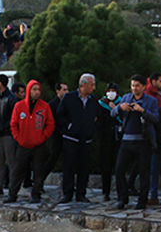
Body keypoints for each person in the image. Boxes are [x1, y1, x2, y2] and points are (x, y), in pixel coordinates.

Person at [111, 75, 159, 210]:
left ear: (144, 87)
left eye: (137, 86)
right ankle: (122, 197)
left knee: (144, 172)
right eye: (132, 85)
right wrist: (120, 108)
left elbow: (156, 119)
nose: (134, 88)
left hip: (143, 141)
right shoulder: (126, 98)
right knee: (119, 170)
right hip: (126, 140)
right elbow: (113, 113)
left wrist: (142, 111)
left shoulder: (151, 101)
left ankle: (142, 200)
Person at [7, 79, 55, 204]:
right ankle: (12, 194)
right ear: (29, 91)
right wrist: (19, 138)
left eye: (38, 89)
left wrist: (42, 137)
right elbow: (13, 124)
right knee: (17, 171)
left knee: (38, 172)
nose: (37, 92)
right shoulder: (19, 106)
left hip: (39, 145)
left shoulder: (45, 106)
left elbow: (50, 125)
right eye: (34, 89)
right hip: (23, 145)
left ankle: (36, 194)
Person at [57, 73, 103, 204]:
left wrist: (92, 128)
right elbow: (60, 116)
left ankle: (81, 193)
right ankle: (67, 193)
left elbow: (97, 117)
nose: (94, 88)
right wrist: (68, 128)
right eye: (92, 85)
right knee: (69, 167)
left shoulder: (93, 100)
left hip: (86, 140)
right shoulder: (69, 98)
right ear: (83, 85)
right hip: (71, 139)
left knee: (84, 168)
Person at [0, 74, 19, 197]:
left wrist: (4, 127)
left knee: (11, 162)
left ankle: (12, 187)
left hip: (8, 134)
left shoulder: (11, 98)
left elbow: (13, 117)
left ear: (1, 83)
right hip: (0, 134)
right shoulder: (0, 97)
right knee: (0, 162)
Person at [97, 82, 122, 201]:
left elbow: (123, 119)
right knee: (105, 166)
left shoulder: (122, 103)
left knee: (118, 166)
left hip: (118, 138)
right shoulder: (101, 104)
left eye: (113, 90)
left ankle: (119, 191)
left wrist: (116, 109)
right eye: (109, 90)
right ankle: (105, 191)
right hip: (105, 138)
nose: (111, 93)